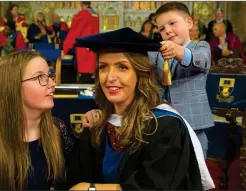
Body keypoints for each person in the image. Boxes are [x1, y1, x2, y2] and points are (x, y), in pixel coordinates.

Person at [66, 28, 214, 190]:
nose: (110, 77)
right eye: (103, 67)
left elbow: (153, 186)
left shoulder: (165, 125)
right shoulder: (98, 126)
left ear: (140, 74)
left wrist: (91, 189)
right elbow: (76, 177)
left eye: (122, 67)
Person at [0, 51, 75, 190]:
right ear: (14, 86)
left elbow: (75, 181)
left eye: (49, 76)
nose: (52, 83)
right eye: (40, 77)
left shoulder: (58, 129)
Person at [148, 2, 214, 158]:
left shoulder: (201, 47)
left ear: (189, 22)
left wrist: (180, 52)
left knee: (195, 169)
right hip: (162, 123)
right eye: (162, 29)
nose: (168, 30)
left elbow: (200, 60)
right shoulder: (157, 54)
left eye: (172, 23)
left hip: (193, 124)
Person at [63, 1, 99, 83]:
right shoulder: (95, 14)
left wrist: (66, 47)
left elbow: (75, 31)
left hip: (84, 49)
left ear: (81, 4)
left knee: (85, 75)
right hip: (93, 48)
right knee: (90, 73)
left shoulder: (83, 14)